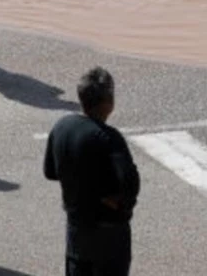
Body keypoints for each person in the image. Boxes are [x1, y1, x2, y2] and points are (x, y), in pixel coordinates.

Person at [44, 67, 140, 276]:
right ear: (109, 102)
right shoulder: (109, 137)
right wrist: (114, 202)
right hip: (109, 234)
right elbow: (129, 185)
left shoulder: (63, 126)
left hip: (77, 228)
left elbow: (50, 171)